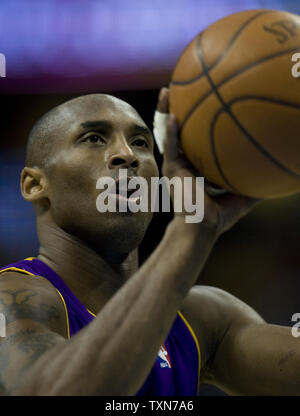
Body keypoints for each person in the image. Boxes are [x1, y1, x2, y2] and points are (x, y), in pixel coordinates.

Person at [0, 87, 298, 396]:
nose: (127, 155)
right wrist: (190, 232)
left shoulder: (201, 317)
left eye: (141, 143)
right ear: (34, 184)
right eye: (93, 139)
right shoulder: (11, 297)